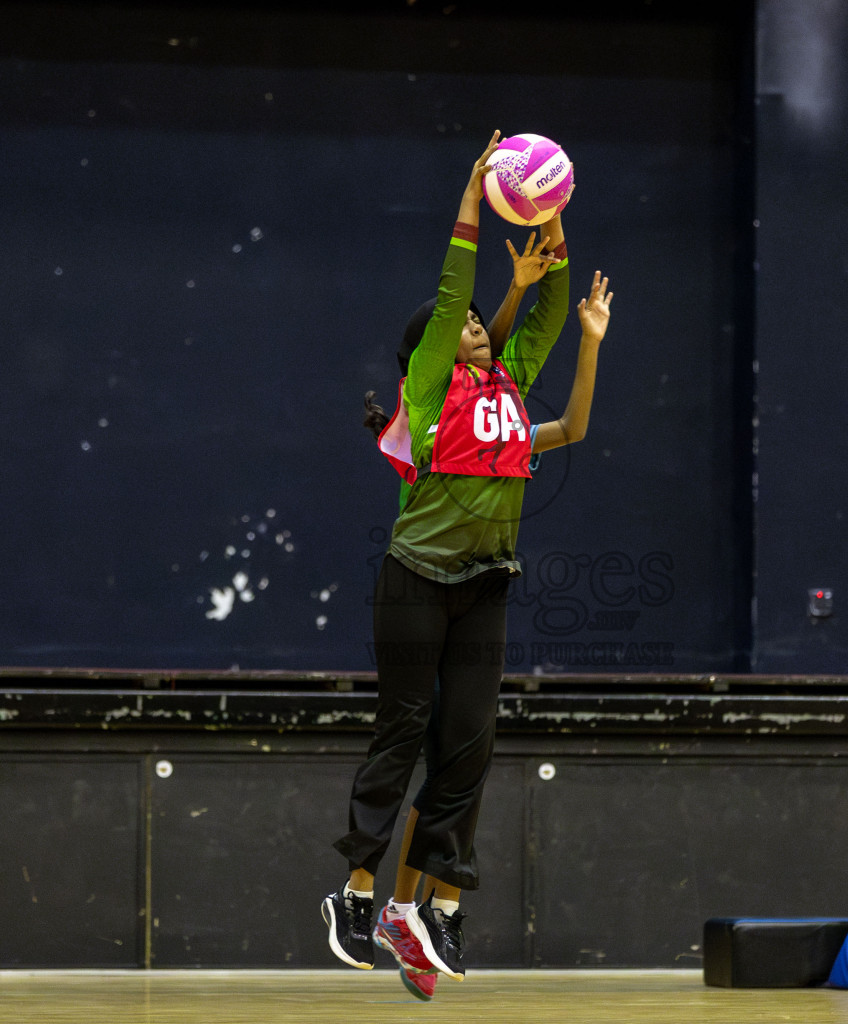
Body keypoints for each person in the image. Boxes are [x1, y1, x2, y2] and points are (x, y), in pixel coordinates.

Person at [320, 130, 613, 997]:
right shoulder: (427, 389)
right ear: (435, 351)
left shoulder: (512, 390)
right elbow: (454, 288)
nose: (479, 325)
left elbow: (551, 315)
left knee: (469, 748)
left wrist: (554, 228)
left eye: (486, 322)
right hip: (414, 577)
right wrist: (470, 196)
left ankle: (429, 906)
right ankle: (358, 893)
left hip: (486, 582)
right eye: (468, 326)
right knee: (404, 732)